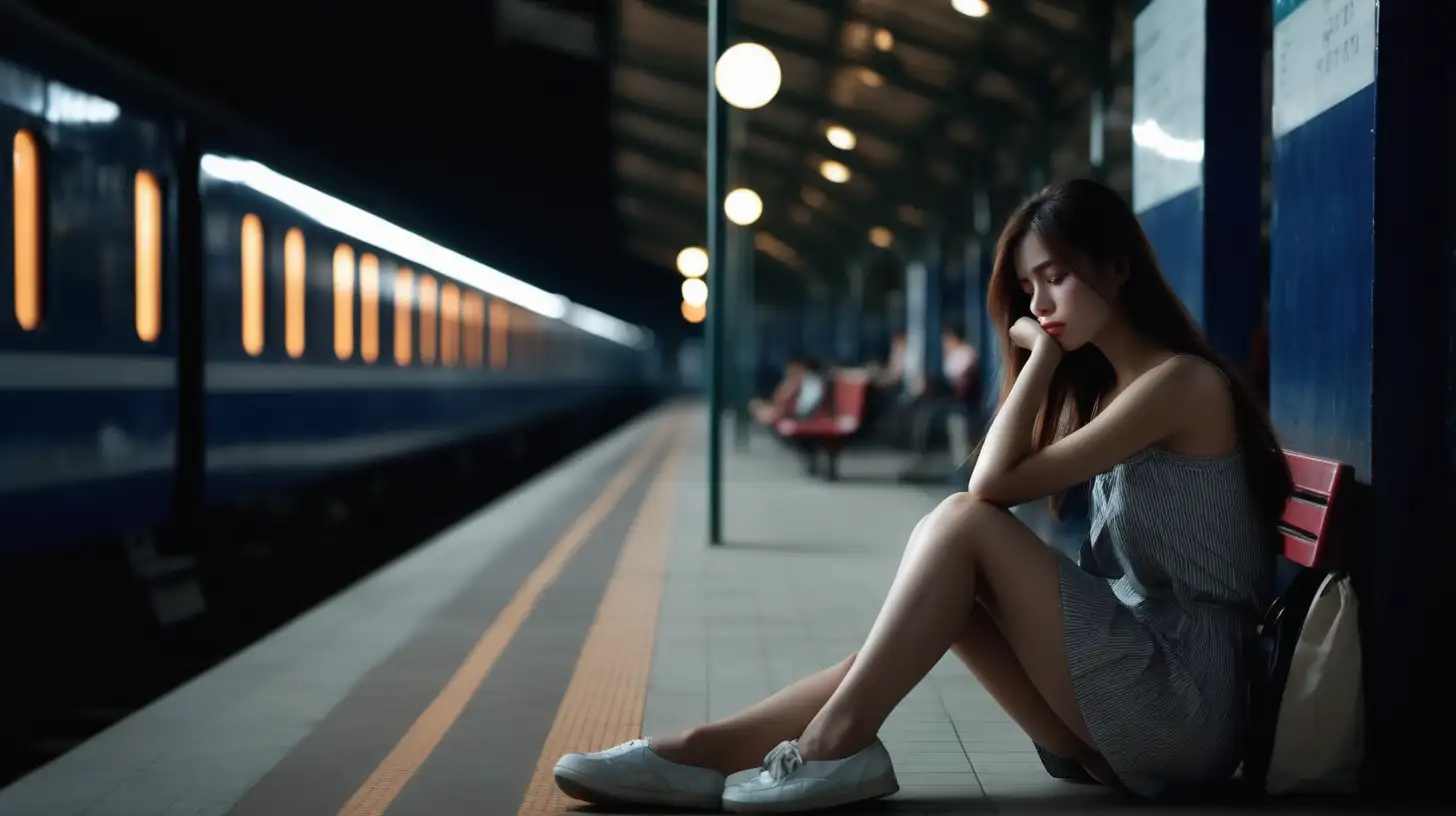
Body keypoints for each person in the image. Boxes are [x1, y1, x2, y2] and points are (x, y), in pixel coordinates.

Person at [551, 179, 1293, 812]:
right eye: (1028, 289)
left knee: (963, 525)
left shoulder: (1180, 385)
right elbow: (995, 486)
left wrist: (1037, 362)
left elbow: (988, 489)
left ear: (1117, 266)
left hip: (1186, 707)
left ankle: (831, 746)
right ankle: (702, 752)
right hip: (1134, 699)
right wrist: (1046, 361)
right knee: (945, 592)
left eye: (1055, 277)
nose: (1037, 305)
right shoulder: (1115, 392)